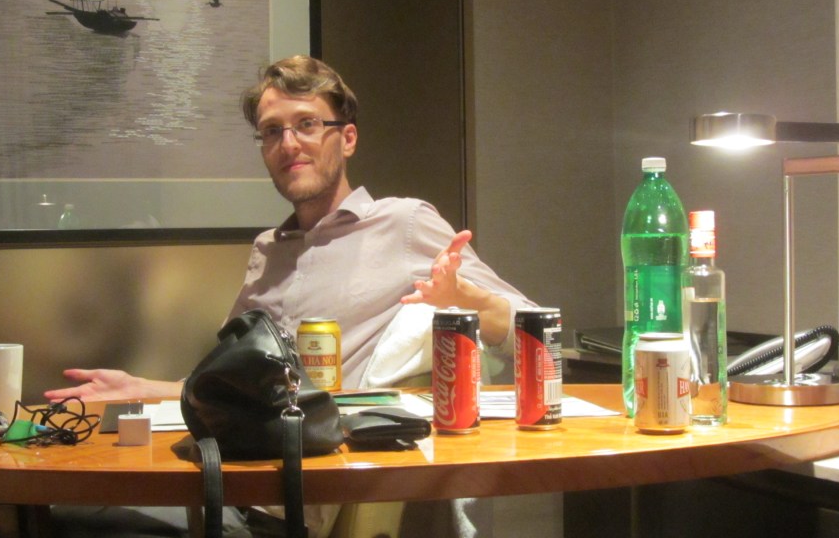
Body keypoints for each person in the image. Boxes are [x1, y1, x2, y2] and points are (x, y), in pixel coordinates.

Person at [45, 55, 535, 537]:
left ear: (347, 138)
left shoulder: (403, 224)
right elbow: (239, 385)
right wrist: (141, 387)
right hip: (238, 477)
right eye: (272, 131)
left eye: (307, 124)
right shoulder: (268, 249)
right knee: (64, 507)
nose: (288, 144)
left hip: (298, 502)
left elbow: (532, 327)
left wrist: (467, 298)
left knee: (76, 517)